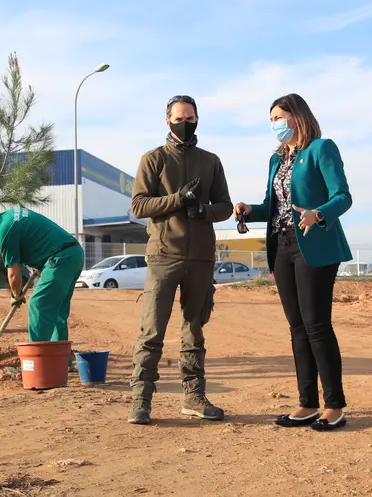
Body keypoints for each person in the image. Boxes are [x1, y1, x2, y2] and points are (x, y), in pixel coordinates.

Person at [234, 93, 352, 432]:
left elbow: (342, 196)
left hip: (315, 245)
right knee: (297, 327)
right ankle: (307, 403)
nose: (275, 125)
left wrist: (318, 214)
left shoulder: (321, 149)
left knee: (316, 324)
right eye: (271, 120)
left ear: (297, 117)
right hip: (282, 247)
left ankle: (334, 406)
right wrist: (249, 211)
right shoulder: (278, 160)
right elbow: (274, 205)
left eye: (279, 117)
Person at [127, 94, 233, 425]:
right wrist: (177, 199)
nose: (184, 123)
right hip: (164, 256)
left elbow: (226, 207)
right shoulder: (153, 159)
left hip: (200, 258)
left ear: (198, 119)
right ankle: (141, 401)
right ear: (167, 120)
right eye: (178, 118)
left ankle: (194, 397)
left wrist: (204, 210)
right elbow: (139, 206)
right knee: (152, 331)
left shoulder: (211, 161)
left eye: (190, 118)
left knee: (194, 330)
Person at [0, 207, 84, 369]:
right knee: (56, 311)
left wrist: (16, 295)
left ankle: (38, 363)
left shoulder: (4, 231)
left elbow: (13, 273)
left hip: (60, 259)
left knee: (38, 304)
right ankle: (62, 363)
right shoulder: (9, 216)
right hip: (73, 253)